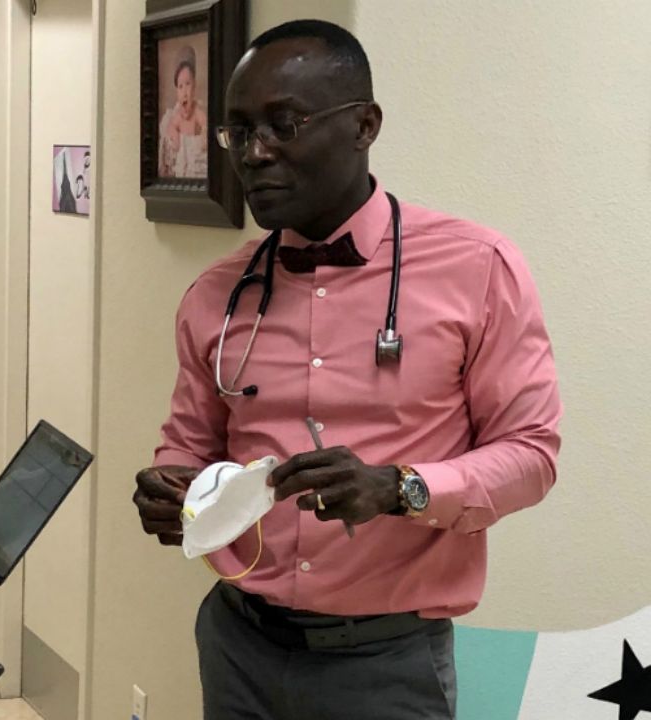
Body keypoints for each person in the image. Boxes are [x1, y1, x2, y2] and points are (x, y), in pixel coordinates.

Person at [133, 20, 561, 720]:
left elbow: (532, 455)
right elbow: (188, 445)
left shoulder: (477, 271)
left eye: (284, 125)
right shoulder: (216, 294)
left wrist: (401, 489)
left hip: (386, 664)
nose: (255, 153)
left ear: (365, 125)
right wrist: (170, 489)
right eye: (237, 132)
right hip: (238, 644)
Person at [159, 44, 209, 178]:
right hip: (182, 163)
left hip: (192, 163)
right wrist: (174, 133)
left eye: (188, 84)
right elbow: (171, 126)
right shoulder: (176, 115)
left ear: (195, 87)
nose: (185, 91)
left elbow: (205, 123)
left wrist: (204, 132)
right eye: (180, 86)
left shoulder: (197, 111)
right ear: (176, 91)